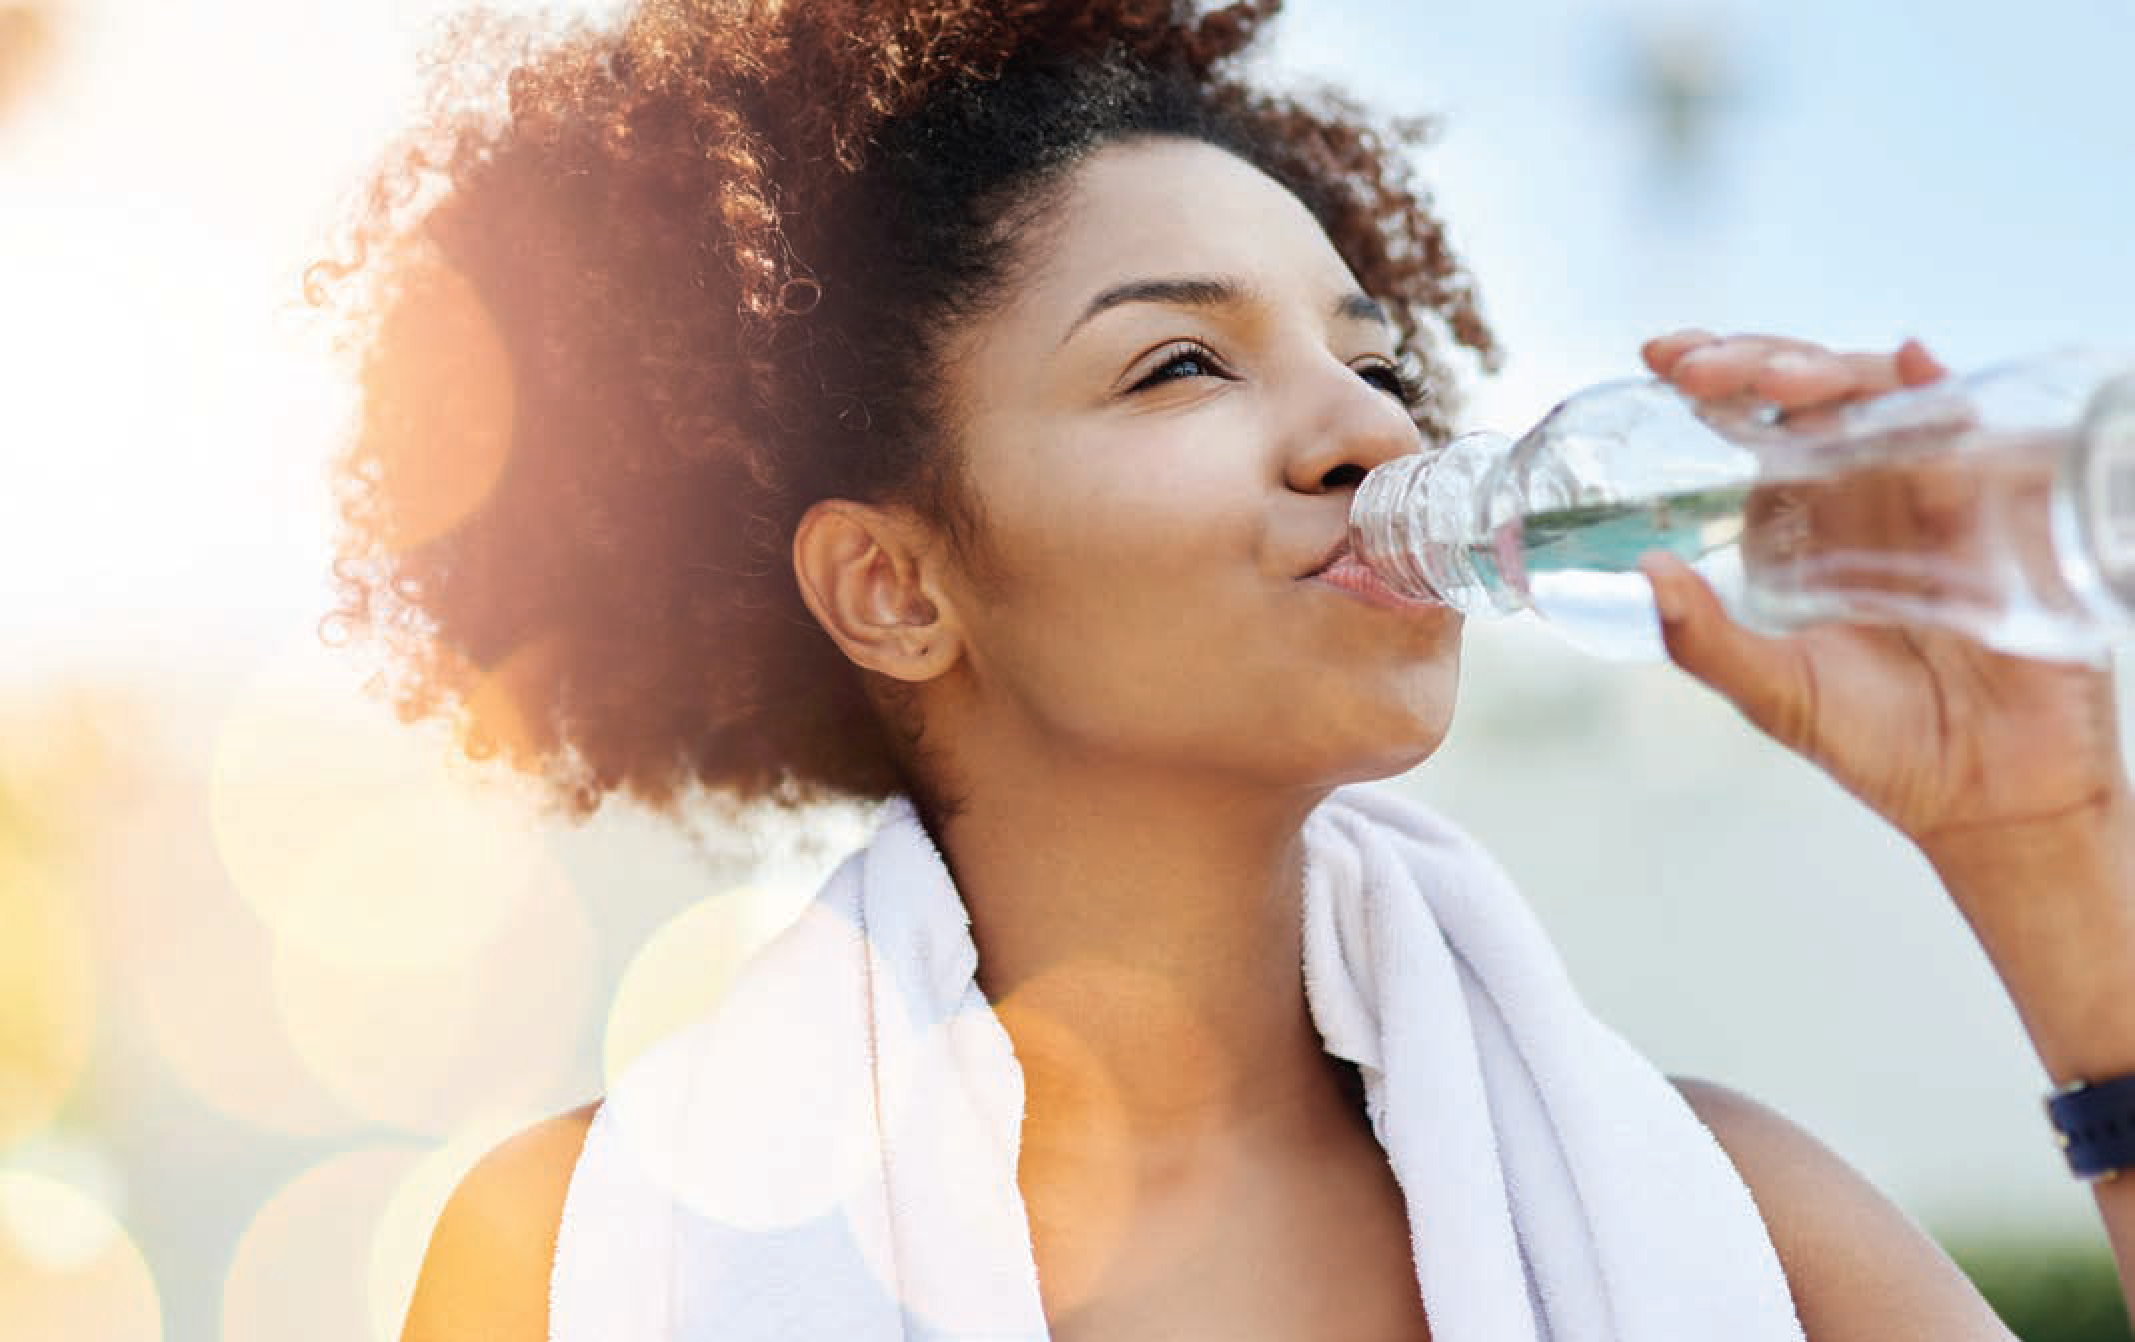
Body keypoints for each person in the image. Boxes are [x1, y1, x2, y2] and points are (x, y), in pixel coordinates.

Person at [309, 2, 2134, 1338]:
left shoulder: (1737, 1221)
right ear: (892, 585)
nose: (1361, 430)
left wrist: (2046, 856)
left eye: (1367, 355)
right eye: (1180, 364)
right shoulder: (574, 1256)